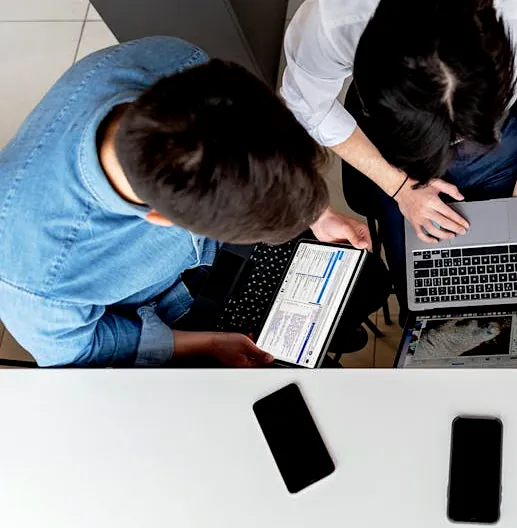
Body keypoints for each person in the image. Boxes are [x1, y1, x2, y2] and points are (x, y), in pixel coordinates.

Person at [0, 37, 384, 367]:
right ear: (159, 218)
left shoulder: (175, 60)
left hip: (221, 241)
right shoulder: (32, 282)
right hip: (169, 318)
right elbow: (92, 348)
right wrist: (209, 344)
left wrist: (315, 212)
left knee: (367, 283)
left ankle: (341, 332)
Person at [281, 0, 517, 315]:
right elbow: (308, 105)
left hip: (497, 140)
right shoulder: (333, 18)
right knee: (421, 299)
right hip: (391, 148)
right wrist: (400, 186)